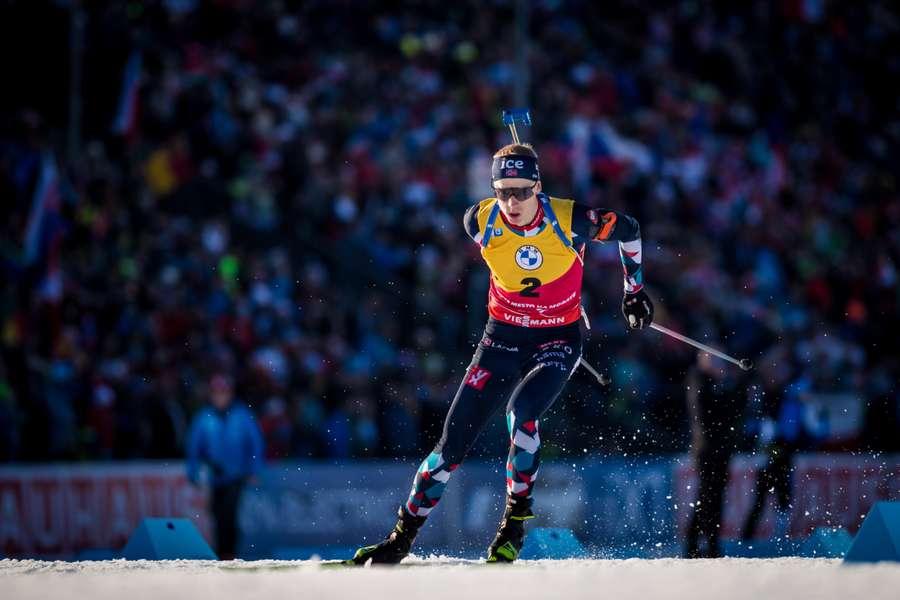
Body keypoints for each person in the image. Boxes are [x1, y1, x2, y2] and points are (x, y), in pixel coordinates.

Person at [346, 142, 653, 564]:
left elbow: (630, 229)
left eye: (522, 191)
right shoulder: (479, 220)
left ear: (538, 187)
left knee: (522, 414)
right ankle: (400, 539)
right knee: (450, 446)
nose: (512, 201)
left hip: (557, 339)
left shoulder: (572, 219)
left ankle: (513, 527)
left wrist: (633, 291)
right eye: (503, 191)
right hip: (502, 338)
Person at [186, 373, 264, 560]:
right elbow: (194, 446)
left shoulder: (242, 415)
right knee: (216, 514)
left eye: (224, 393)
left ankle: (229, 552)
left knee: (230, 513)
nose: (220, 397)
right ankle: (221, 552)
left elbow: (255, 443)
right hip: (215, 475)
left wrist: (253, 469)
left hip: (237, 475)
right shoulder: (204, 417)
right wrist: (193, 471)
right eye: (217, 393)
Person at [684, 350, 748, 558]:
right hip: (706, 449)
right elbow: (703, 410)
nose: (717, 365)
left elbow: (736, 409)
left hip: (722, 448)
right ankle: (696, 544)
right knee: (706, 495)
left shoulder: (721, 384)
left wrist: (738, 383)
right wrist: (725, 385)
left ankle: (710, 544)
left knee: (715, 496)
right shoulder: (699, 380)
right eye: (712, 360)